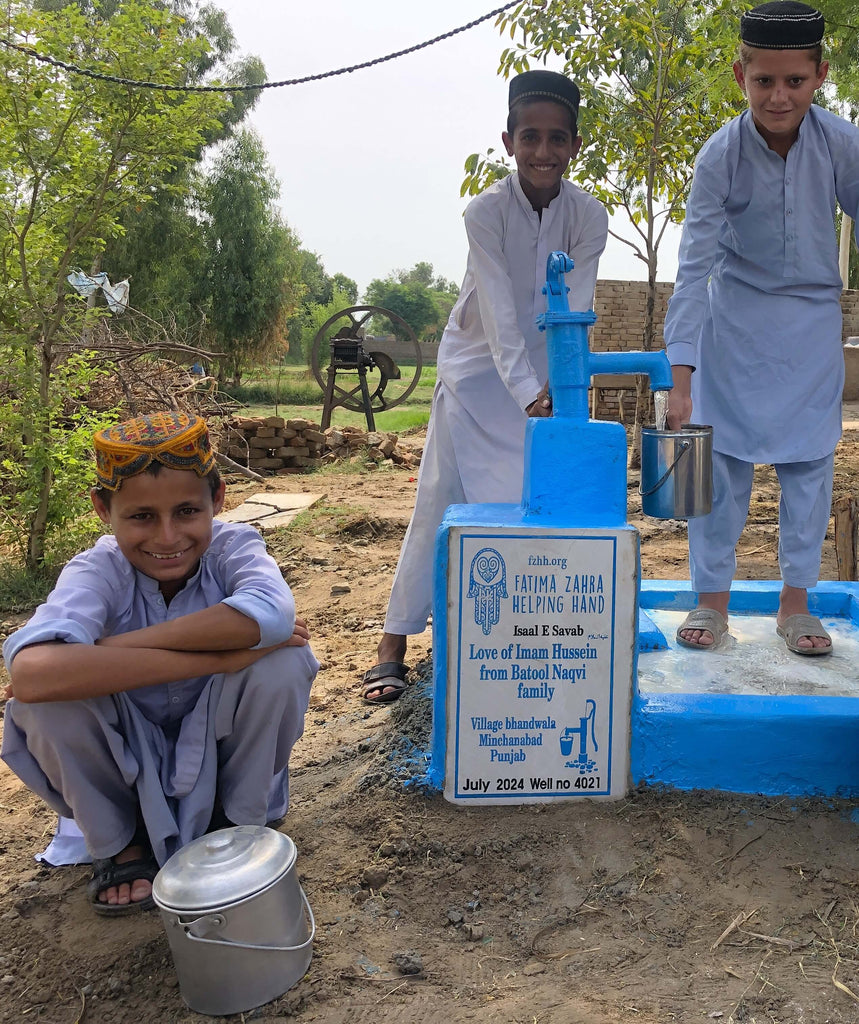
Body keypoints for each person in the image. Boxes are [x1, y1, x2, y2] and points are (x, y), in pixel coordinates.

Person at [1, 411, 318, 915]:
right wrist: (219, 658)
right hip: (127, 756)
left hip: (219, 749)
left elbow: (273, 619)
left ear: (218, 500)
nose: (168, 538)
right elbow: (33, 677)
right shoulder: (97, 569)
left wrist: (100, 654)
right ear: (104, 510)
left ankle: (233, 823)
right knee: (43, 708)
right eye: (142, 516)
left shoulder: (234, 547)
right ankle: (122, 843)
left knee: (282, 666)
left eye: (187, 511)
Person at [362, 69, 608, 702]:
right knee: (439, 499)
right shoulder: (485, 212)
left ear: (574, 145)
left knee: (530, 504)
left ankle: (510, 639)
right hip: (476, 370)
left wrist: (559, 386)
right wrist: (529, 389)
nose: (544, 152)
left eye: (558, 139)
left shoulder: (589, 216)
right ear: (508, 140)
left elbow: (573, 307)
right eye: (531, 137)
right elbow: (498, 310)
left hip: (542, 380)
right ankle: (394, 640)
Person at [664, 1, 859, 655]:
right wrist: (680, 377)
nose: (779, 97)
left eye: (794, 82)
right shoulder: (717, 155)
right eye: (763, 81)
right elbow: (691, 270)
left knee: (808, 469)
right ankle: (710, 602)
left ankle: (795, 605)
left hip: (809, 333)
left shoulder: (841, 144)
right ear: (737, 76)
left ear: (819, 75)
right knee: (720, 472)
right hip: (733, 333)